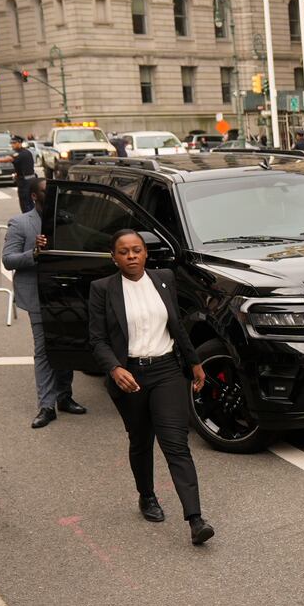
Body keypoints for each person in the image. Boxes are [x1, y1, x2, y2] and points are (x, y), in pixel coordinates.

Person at [89, 229, 214, 545]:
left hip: (167, 371)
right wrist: (114, 368)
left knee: (175, 443)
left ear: (145, 253)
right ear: (114, 257)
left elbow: (176, 326)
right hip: (130, 375)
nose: (131, 256)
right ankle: (146, 495)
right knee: (141, 440)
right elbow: (98, 339)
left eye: (136, 250)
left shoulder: (164, 278)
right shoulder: (102, 289)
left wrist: (194, 362)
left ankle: (195, 519)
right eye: (123, 251)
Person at [4, 177, 87, 428]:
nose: (50, 196)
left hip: (67, 293)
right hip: (38, 296)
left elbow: (80, 247)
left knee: (66, 344)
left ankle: (65, 397)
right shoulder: (20, 223)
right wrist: (35, 254)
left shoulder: (67, 219)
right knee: (44, 350)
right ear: (33, 197)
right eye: (44, 192)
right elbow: (9, 260)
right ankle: (46, 406)